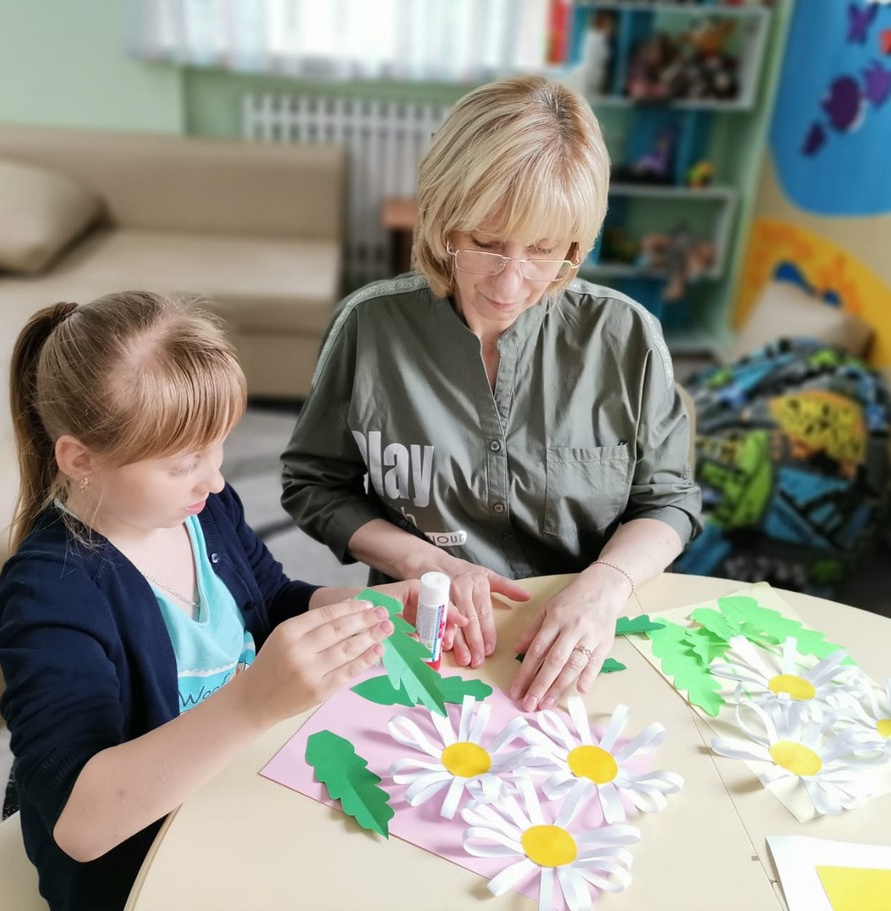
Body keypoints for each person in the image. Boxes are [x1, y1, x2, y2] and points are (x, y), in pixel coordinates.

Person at [0, 291, 452, 911]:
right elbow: (80, 825)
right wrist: (253, 702)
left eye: (218, 448)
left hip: (239, 790)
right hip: (139, 868)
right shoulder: (50, 590)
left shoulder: (202, 510)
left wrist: (371, 608)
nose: (214, 479)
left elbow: (272, 600)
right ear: (81, 461)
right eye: (184, 463)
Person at [281, 75, 702, 713]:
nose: (510, 284)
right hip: (426, 634)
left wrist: (604, 587)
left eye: (542, 252)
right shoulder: (369, 328)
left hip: (585, 636)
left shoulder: (625, 336)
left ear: (576, 244)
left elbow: (668, 500)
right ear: (443, 219)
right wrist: (422, 561)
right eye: (484, 244)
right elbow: (314, 483)